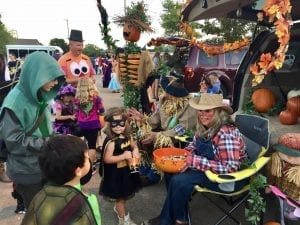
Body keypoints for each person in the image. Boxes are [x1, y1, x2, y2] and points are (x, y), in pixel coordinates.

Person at [142, 93, 248, 225]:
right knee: (171, 171)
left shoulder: (225, 132)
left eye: (208, 110)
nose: (203, 114)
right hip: (207, 166)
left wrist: (193, 161)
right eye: (200, 111)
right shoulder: (204, 127)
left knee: (179, 180)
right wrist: (184, 156)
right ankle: (181, 217)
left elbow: (230, 167)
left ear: (219, 112)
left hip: (226, 178)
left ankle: (167, 220)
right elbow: (194, 145)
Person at [0, 51, 66, 209]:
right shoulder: (14, 103)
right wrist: (48, 143)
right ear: (36, 75)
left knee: (48, 210)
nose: (55, 83)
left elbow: (42, 127)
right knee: (36, 213)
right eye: (51, 78)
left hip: (42, 164)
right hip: (27, 170)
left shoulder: (38, 94)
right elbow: (14, 142)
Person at [21, 135, 101, 225]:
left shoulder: (38, 197)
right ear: (78, 171)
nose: (89, 159)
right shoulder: (89, 200)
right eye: (86, 158)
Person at [128, 72, 197, 149]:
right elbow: (156, 118)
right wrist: (143, 119)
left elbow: (183, 129)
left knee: (161, 142)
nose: (165, 93)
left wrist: (159, 135)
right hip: (163, 133)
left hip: (179, 140)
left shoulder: (188, 105)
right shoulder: (163, 99)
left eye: (168, 92)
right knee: (141, 135)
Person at [99, 107, 141, 225]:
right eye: (114, 123)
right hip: (116, 176)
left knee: (124, 194)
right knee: (120, 197)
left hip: (126, 172)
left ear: (126, 123)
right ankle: (123, 219)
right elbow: (107, 159)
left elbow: (134, 146)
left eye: (121, 123)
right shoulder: (112, 142)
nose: (118, 126)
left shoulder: (128, 137)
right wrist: (123, 156)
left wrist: (135, 152)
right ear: (109, 124)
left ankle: (119, 209)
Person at [74, 77, 105, 168]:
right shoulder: (96, 98)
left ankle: (84, 162)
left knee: (84, 144)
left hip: (82, 124)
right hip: (93, 124)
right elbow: (102, 111)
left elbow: (76, 112)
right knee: (92, 146)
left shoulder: (77, 99)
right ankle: (91, 166)